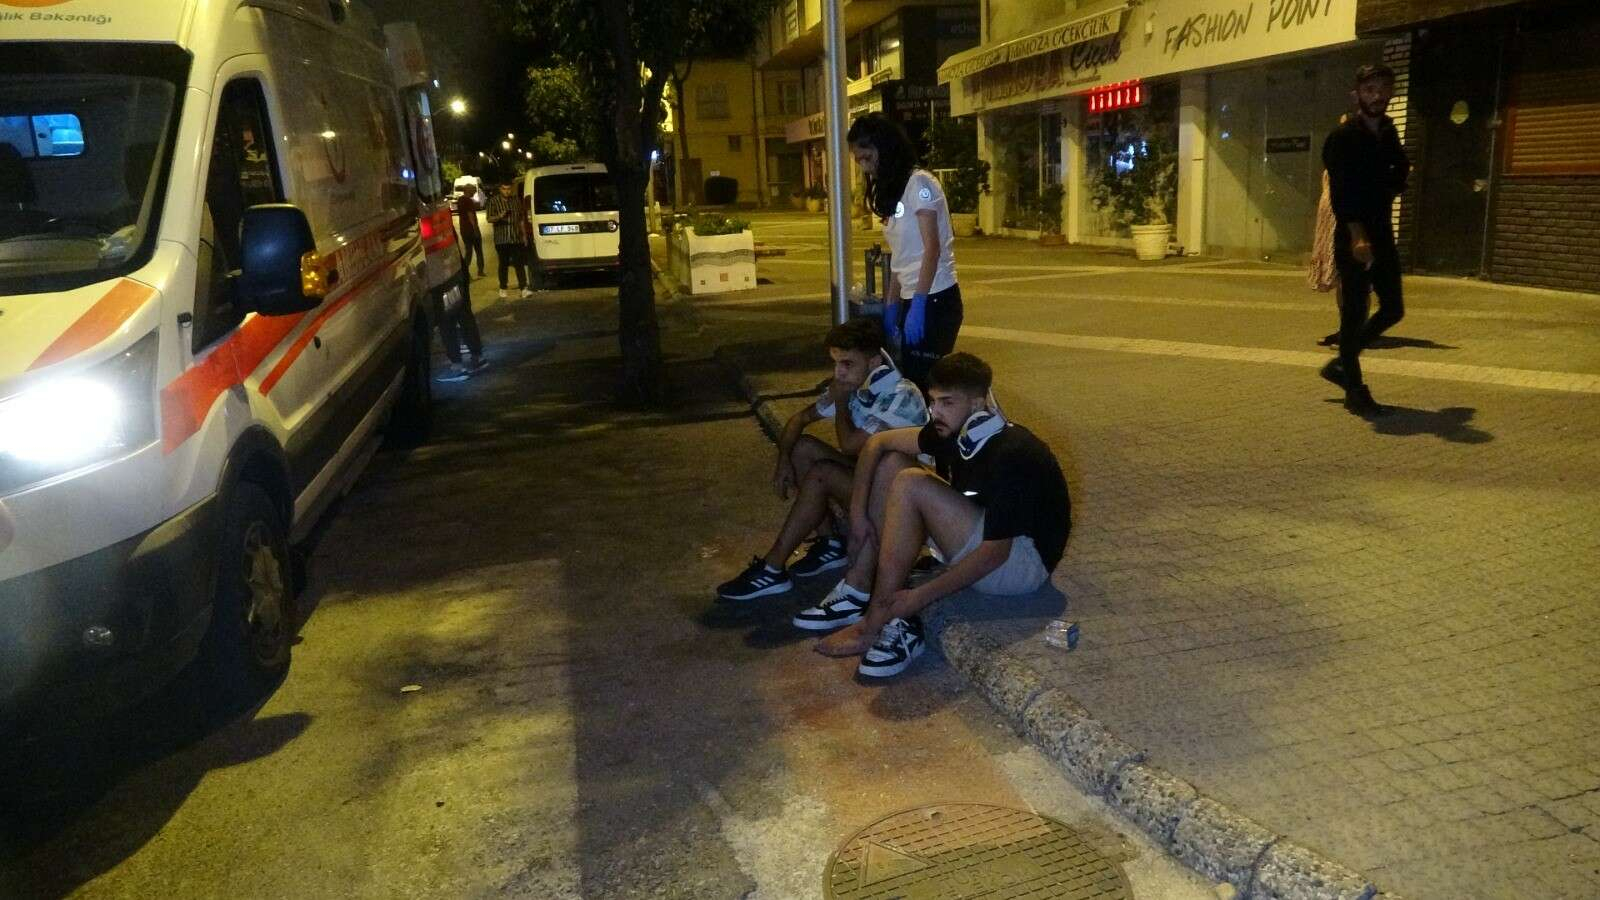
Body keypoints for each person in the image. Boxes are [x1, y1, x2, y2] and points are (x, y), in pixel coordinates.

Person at [810, 353, 1071, 679]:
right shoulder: (953, 430)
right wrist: (858, 514)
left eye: (947, 402)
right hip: (991, 544)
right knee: (893, 464)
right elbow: (877, 443)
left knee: (910, 482)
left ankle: (874, 622)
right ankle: (859, 587)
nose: (936, 412)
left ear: (978, 405)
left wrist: (917, 598)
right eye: (933, 401)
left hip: (1021, 568)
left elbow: (994, 554)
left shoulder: (1011, 453)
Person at [716, 317, 928, 602]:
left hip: (905, 502)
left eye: (847, 364)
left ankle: (772, 567)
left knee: (822, 472)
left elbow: (850, 445)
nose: (839, 373)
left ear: (875, 362)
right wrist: (783, 460)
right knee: (802, 448)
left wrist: (840, 402)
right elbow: (799, 419)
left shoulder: (900, 395)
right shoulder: (856, 385)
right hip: (871, 482)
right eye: (835, 363)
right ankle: (829, 544)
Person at [1320, 64, 1410, 416]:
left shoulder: (1388, 131)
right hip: (1353, 234)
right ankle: (1355, 390)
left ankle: (1342, 362)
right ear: (1357, 94)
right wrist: (1357, 237)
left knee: (1393, 308)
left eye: (1384, 89)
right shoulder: (1342, 137)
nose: (1378, 96)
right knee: (1355, 314)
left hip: (1382, 230)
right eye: (1370, 89)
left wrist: (1392, 184)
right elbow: (1341, 194)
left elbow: (1401, 168)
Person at [848, 113, 961, 391]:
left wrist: (919, 303)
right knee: (910, 384)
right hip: (914, 299)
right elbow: (900, 256)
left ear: (885, 148)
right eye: (859, 161)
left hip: (936, 298)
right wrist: (892, 305)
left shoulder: (920, 184)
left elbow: (932, 248)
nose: (865, 167)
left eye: (867, 157)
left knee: (923, 387)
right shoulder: (895, 191)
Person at [433, 280, 487, 382]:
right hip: (454, 277)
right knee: (463, 313)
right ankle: (477, 357)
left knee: (446, 321)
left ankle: (457, 367)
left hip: (439, 282)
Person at [485, 181, 531, 300]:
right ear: (500, 189)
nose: (507, 191)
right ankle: (503, 288)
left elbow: (521, 219)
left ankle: (523, 288)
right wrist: (500, 216)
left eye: (509, 189)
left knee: (519, 264)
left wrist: (524, 236)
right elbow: (489, 218)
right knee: (503, 264)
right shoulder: (493, 201)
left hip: (516, 238)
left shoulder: (515, 201)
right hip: (502, 239)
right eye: (504, 189)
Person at [456, 181, 486, 277]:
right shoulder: (468, 201)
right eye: (473, 190)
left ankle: (465, 273)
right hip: (471, 230)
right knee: (478, 251)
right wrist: (475, 229)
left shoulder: (460, 200)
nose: (474, 192)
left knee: (468, 252)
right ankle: (480, 271)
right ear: (468, 191)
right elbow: (470, 215)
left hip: (464, 230)